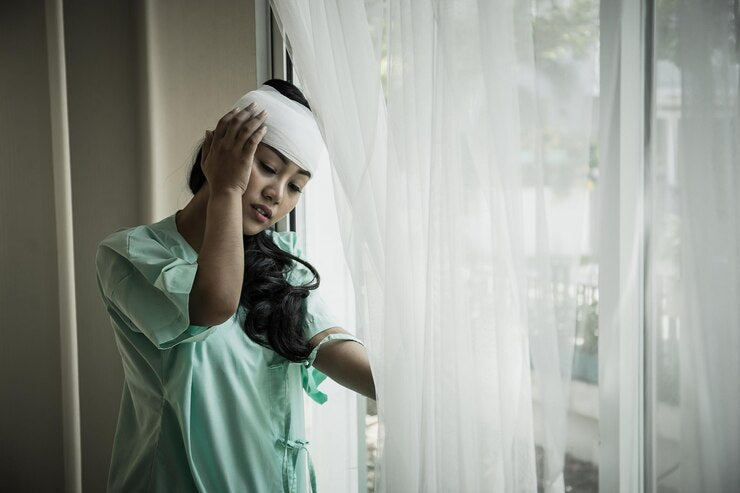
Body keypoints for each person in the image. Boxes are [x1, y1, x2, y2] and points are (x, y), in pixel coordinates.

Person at [95, 79, 376, 493]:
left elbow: (334, 347)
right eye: (268, 167)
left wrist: (421, 387)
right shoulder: (131, 255)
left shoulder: (283, 265)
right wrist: (226, 188)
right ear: (220, 153)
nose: (277, 193)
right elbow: (215, 303)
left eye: (296, 186)